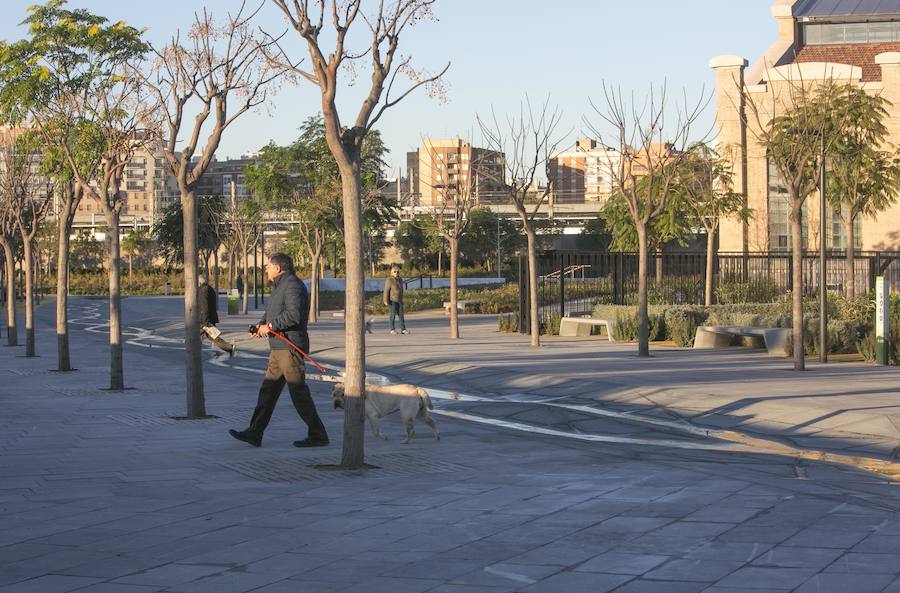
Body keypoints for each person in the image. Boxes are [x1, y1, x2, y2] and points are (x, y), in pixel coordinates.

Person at [229, 253, 329, 448]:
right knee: (268, 391)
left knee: (298, 391)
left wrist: (271, 326)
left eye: (268, 266)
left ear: (279, 268)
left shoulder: (292, 285)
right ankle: (254, 433)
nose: (266, 269)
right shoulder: (280, 286)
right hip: (278, 347)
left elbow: (293, 315)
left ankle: (318, 434)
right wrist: (261, 326)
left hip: (289, 346)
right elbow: (272, 313)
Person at [198, 274, 236, 356]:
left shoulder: (203, 290)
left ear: (200, 282)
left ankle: (193, 351)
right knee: (213, 337)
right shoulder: (210, 289)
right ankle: (229, 347)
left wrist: (205, 320)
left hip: (205, 319)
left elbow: (204, 306)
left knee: (195, 335)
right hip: (209, 317)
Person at [383, 264, 408, 335]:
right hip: (392, 300)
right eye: (395, 271)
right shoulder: (389, 280)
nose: (396, 273)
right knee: (392, 315)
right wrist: (385, 300)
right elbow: (386, 291)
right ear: (391, 272)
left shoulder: (400, 279)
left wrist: (402, 299)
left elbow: (401, 290)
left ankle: (403, 329)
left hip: (399, 300)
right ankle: (392, 329)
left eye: (397, 272)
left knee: (401, 315)